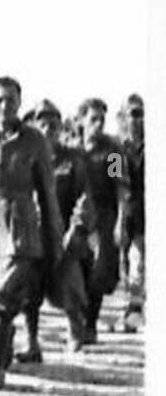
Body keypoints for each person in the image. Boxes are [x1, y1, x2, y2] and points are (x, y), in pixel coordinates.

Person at [0, 76, 63, 390]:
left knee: (2, 297)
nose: (5, 106)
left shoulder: (33, 141)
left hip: (18, 227)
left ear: (19, 104)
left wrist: (53, 238)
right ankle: (3, 343)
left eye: (11, 100)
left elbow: (47, 194)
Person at [18, 99, 95, 359]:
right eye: (42, 123)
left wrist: (78, 227)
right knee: (30, 290)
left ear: (61, 126)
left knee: (71, 285)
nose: (48, 128)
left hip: (64, 234)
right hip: (32, 233)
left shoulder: (75, 159)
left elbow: (86, 195)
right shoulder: (25, 157)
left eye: (53, 123)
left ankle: (78, 332)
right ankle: (31, 343)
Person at [77, 98, 125, 341]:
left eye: (101, 120)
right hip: (76, 217)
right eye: (93, 119)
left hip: (104, 216)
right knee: (76, 271)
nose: (98, 124)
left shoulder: (112, 151)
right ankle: (76, 322)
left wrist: (120, 223)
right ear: (81, 120)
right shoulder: (73, 149)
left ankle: (90, 325)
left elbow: (120, 188)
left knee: (97, 273)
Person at [118, 93, 145, 332]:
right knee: (127, 267)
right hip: (125, 215)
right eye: (132, 114)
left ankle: (134, 314)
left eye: (140, 114)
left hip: (146, 216)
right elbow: (115, 182)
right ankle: (131, 310)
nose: (136, 120)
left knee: (137, 265)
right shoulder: (117, 150)